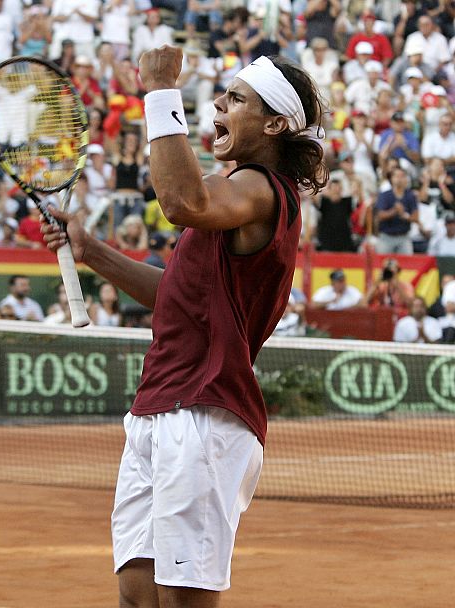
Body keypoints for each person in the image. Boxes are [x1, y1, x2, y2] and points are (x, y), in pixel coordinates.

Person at [42, 48, 327, 606]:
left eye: (236, 99)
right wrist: (93, 252)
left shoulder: (262, 190)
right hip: (157, 406)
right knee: (135, 594)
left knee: (181, 600)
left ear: (273, 125)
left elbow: (180, 200)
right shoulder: (229, 200)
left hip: (205, 413)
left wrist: (159, 89)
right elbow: (174, 297)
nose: (219, 103)